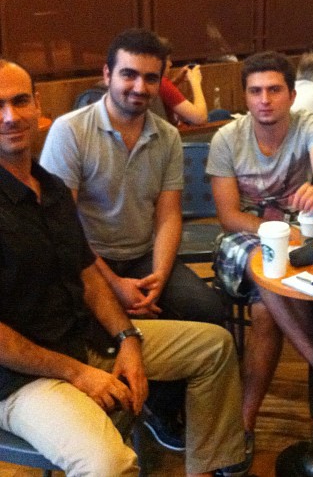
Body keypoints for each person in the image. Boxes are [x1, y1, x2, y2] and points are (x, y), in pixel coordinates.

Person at [0, 59, 246, 477]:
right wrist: (78, 373)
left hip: (83, 339)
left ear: (37, 104)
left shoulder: (50, 188)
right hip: (22, 378)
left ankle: (206, 468)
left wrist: (128, 338)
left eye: (20, 101)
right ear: (107, 76)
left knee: (215, 347)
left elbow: (86, 274)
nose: (10, 116)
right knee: (108, 463)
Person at [39, 29, 229, 453]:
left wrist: (159, 274)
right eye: (128, 74)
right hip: (86, 263)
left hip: (144, 257)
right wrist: (113, 284)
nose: (139, 87)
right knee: (98, 323)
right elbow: (62, 228)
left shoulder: (166, 137)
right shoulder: (70, 132)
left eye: (149, 77)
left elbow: (168, 214)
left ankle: (161, 407)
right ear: (107, 74)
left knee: (207, 311)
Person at [208, 51, 313, 442]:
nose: (265, 99)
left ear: (292, 95)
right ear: (245, 97)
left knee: (265, 314)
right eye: (255, 91)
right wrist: (280, 233)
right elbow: (229, 216)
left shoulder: (308, 124)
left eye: (274, 90)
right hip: (241, 242)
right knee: (264, 260)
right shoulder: (227, 139)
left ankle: (244, 427)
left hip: (294, 240)